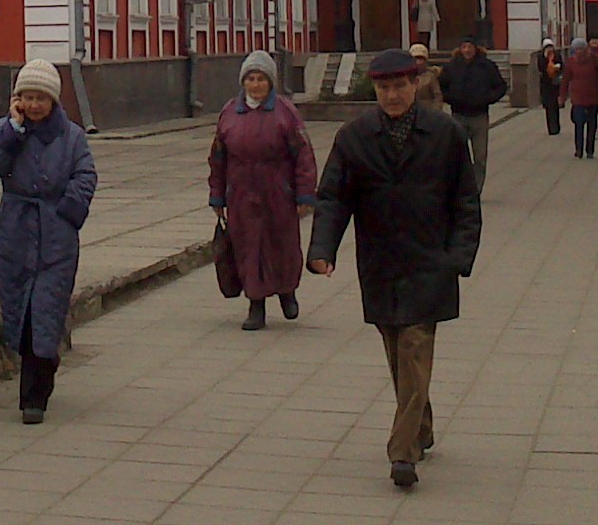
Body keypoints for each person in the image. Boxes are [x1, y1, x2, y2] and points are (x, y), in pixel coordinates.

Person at [308, 48, 484, 490]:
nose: (392, 95)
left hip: (429, 262)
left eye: (400, 86)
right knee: (398, 353)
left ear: (415, 86)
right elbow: (333, 198)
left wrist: (458, 258)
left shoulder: (445, 134)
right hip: (381, 262)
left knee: (414, 347)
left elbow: (466, 201)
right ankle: (420, 426)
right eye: (384, 88)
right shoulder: (354, 137)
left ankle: (402, 452)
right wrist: (322, 249)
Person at [0, 59, 98, 423]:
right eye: (27, 98)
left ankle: (35, 397)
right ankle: (35, 380)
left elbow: (86, 175)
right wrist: (12, 129)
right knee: (21, 313)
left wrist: (66, 211)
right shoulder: (6, 130)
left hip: (56, 238)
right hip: (15, 233)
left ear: (53, 101)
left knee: (45, 312)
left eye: (40, 98)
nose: (33, 105)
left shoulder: (72, 136)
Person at [209, 49, 317, 331]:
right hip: (241, 193)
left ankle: (287, 291)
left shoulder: (285, 113)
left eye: (261, 79)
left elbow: (303, 155)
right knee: (247, 247)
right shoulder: (230, 112)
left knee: (282, 245)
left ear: (271, 82)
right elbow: (218, 158)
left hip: (277, 192)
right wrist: (217, 195)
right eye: (251, 79)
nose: (255, 85)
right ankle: (256, 305)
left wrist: (304, 193)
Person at [436, 35, 509, 181]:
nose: (467, 50)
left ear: (475, 49)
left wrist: (487, 99)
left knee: (480, 157)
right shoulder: (452, 67)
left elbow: (501, 87)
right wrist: (452, 99)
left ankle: (476, 190)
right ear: (460, 49)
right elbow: (441, 87)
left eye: (470, 47)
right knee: (457, 155)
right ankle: (461, 188)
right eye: (464, 47)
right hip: (458, 115)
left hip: (479, 116)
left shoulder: (487, 66)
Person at [563, 36, 598, 159]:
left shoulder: (595, 60)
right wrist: (562, 95)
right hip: (577, 98)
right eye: (575, 49)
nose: (578, 52)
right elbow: (566, 79)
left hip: (593, 97)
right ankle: (579, 149)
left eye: (580, 49)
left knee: (592, 124)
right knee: (578, 123)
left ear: (585, 49)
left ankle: (590, 150)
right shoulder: (571, 62)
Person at [535, 38, 565, 136]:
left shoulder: (556, 55)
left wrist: (557, 68)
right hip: (546, 84)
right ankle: (551, 128)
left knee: (555, 107)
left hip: (555, 83)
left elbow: (562, 66)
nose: (549, 49)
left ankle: (556, 127)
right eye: (547, 47)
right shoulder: (541, 57)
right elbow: (541, 68)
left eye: (550, 47)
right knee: (548, 107)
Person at [407, 42, 444, 108]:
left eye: (420, 59)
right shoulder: (406, 77)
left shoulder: (431, 76)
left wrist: (435, 112)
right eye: (415, 59)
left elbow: (437, 96)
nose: (418, 62)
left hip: (427, 111)